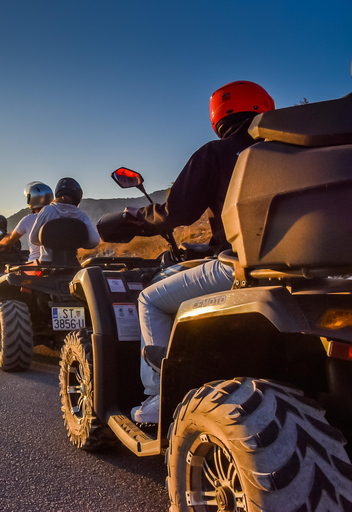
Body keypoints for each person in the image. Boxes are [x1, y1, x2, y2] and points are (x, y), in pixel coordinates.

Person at [127, 81, 275, 424]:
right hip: (301, 269)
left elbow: (174, 213)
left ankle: (157, 399)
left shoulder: (217, 153)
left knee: (150, 299)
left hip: (242, 266)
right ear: (264, 106)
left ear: (218, 116)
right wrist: (208, 246)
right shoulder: (288, 152)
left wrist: (131, 218)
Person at [28, 177, 100, 262]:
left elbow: (33, 239)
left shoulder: (47, 210)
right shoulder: (81, 216)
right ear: (77, 196)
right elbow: (94, 241)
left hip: (47, 265)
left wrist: (50, 242)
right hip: (71, 265)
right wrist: (78, 242)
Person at [0, 181, 53, 262]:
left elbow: (10, 238)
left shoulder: (29, 219)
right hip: (58, 264)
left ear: (31, 199)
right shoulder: (57, 217)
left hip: (36, 264)